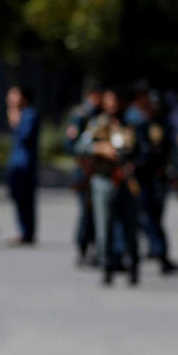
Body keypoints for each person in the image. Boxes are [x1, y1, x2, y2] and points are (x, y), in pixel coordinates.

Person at [76, 88, 140, 286]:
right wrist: (99, 148)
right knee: (104, 228)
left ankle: (133, 267)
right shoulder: (97, 124)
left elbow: (144, 149)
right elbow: (79, 146)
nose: (113, 105)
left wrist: (134, 162)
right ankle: (107, 267)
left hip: (127, 182)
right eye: (109, 101)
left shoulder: (133, 124)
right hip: (103, 180)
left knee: (130, 228)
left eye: (116, 101)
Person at [128, 87, 178, 275]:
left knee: (154, 216)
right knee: (144, 217)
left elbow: (170, 150)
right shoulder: (134, 121)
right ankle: (156, 253)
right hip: (138, 176)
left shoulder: (161, 123)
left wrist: (174, 173)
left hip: (157, 176)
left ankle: (158, 252)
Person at [65, 85, 102, 265]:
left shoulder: (101, 116)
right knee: (86, 212)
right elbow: (71, 144)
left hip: (99, 169)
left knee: (97, 213)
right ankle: (82, 247)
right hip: (84, 170)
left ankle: (96, 248)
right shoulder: (80, 116)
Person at [5, 85, 39, 245]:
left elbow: (25, 136)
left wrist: (15, 122)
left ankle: (27, 232)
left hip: (25, 163)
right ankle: (24, 231)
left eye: (14, 95)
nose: (10, 99)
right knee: (18, 197)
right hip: (17, 162)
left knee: (26, 198)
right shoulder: (21, 114)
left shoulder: (29, 114)